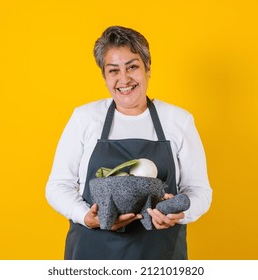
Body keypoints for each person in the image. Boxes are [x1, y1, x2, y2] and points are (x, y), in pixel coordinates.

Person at [45, 26, 212, 260]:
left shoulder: (178, 120)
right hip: (93, 252)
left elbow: (199, 191)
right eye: (114, 71)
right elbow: (57, 185)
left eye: (132, 66)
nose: (124, 79)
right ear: (105, 77)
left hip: (159, 254)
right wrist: (86, 216)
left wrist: (180, 213)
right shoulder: (85, 118)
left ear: (147, 69)